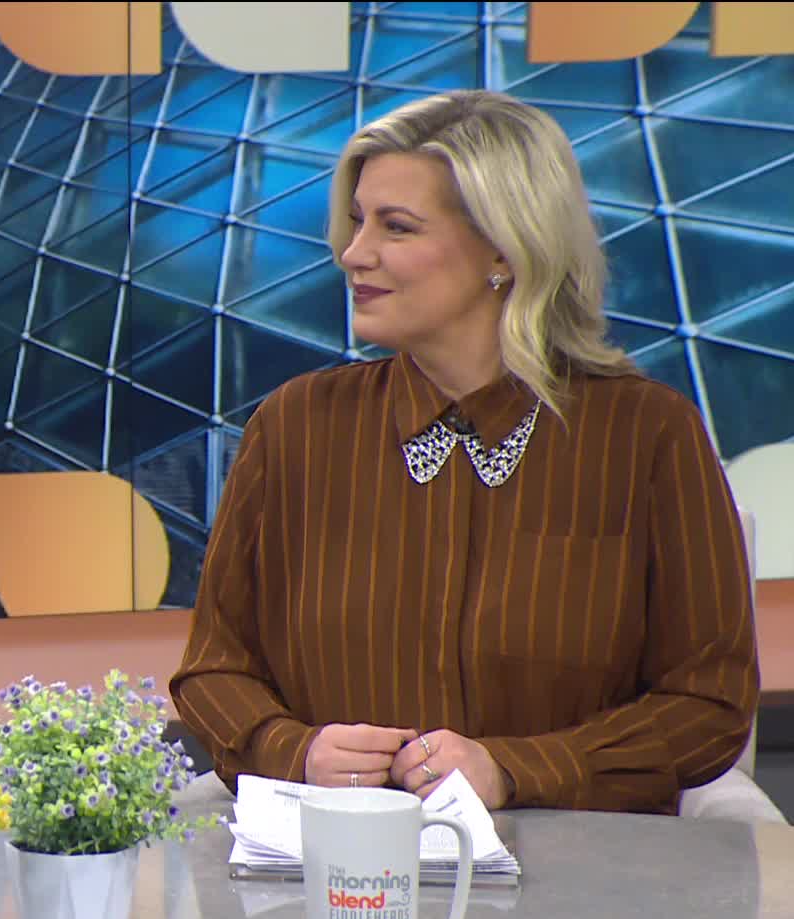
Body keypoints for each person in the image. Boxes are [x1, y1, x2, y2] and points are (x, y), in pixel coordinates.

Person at [168, 90, 758, 814]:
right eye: (357, 221)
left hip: (578, 863)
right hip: (340, 857)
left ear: (504, 251)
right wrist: (295, 750)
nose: (354, 253)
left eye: (396, 226)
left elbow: (707, 705)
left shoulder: (646, 434)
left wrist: (515, 769)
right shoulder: (295, 427)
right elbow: (214, 669)